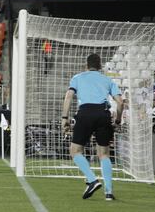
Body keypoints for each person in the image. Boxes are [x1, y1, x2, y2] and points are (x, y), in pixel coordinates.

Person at [61, 54, 123, 201]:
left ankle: (92, 180)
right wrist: (118, 120)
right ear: (100, 66)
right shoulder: (108, 80)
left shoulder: (77, 77)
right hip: (103, 114)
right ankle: (108, 193)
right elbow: (120, 103)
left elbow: (68, 96)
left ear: (86, 65)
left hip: (85, 113)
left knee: (75, 151)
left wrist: (64, 118)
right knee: (104, 154)